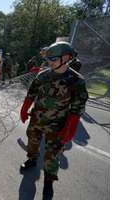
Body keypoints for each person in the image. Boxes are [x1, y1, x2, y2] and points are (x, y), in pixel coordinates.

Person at [19, 41, 88, 199]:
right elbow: (31, 93)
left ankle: (49, 182)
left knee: (53, 154)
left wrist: (69, 129)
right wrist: (24, 109)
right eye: (48, 60)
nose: (49, 62)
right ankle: (31, 160)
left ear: (66, 58)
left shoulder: (77, 81)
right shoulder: (43, 75)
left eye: (54, 59)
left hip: (57, 125)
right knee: (33, 142)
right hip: (37, 119)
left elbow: (76, 109)